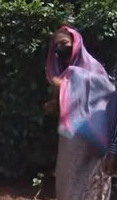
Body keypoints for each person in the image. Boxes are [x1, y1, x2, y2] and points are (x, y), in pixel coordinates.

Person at [44, 25, 117, 200]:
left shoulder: (93, 69)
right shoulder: (64, 75)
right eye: (56, 48)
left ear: (75, 44)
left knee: (90, 191)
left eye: (64, 44)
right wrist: (56, 104)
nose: (61, 50)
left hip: (93, 149)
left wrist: (67, 82)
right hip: (70, 148)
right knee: (66, 189)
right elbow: (70, 109)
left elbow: (107, 100)